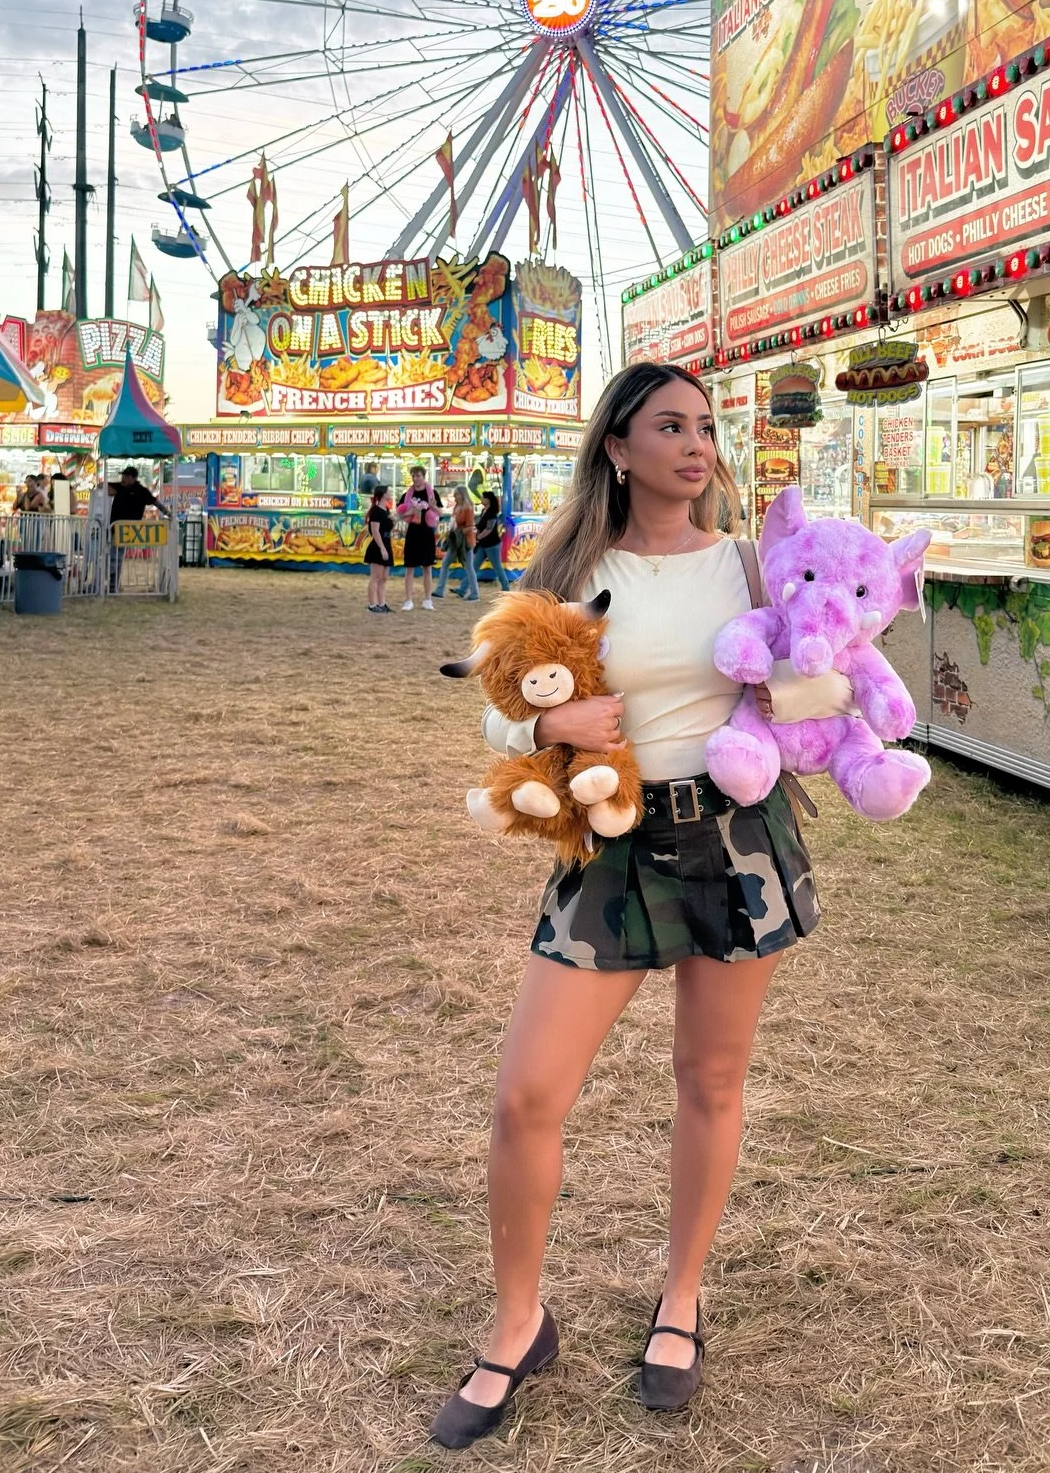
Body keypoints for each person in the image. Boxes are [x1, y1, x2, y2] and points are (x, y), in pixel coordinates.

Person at [429, 363, 845, 1450]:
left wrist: (804, 680)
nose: (695, 445)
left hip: (734, 837)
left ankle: (681, 1299)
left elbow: (821, 691)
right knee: (528, 1094)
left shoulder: (753, 564)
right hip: (609, 846)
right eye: (669, 426)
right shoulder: (569, 569)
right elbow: (496, 709)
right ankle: (519, 1321)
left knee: (710, 1079)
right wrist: (541, 735)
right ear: (618, 446)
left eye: (705, 427)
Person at [106, 467, 167, 594]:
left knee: (115, 557)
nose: (122, 478)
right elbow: (105, 487)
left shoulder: (141, 491)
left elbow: (155, 502)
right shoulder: (119, 487)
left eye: (125, 476)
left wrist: (169, 514)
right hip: (116, 528)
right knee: (115, 557)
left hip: (127, 529)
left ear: (131, 478)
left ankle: (113, 586)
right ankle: (113, 585)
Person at [398, 466, 441, 611]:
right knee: (409, 568)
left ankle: (428, 599)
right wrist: (411, 511)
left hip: (427, 533)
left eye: (418, 476)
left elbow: (440, 513)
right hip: (412, 532)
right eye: (413, 476)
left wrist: (432, 507)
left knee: (427, 567)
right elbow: (400, 514)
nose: (415, 479)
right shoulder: (406, 495)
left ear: (424, 477)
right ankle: (408, 600)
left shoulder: (432, 494)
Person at [435, 485, 479, 602]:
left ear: (462, 494)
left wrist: (458, 531)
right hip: (456, 541)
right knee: (446, 564)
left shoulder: (468, 507)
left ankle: (474, 593)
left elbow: (470, 526)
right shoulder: (457, 507)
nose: (454, 496)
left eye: (456, 494)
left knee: (468, 567)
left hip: (465, 542)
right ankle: (440, 590)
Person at [471, 487, 513, 593]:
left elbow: (489, 529)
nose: (481, 499)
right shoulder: (484, 511)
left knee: (497, 567)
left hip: (492, 544)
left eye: (483, 497)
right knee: (474, 566)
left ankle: (506, 587)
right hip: (484, 544)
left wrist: (478, 537)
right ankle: (463, 588)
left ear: (488, 500)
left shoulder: (491, 513)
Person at [361, 483, 394, 613]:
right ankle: (372, 604)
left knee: (384, 577)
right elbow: (375, 531)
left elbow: (388, 529)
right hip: (378, 546)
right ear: (383, 494)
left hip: (386, 543)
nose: (391, 493)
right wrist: (382, 548)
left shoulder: (386, 511)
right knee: (376, 577)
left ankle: (382, 603)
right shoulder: (375, 511)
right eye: (388, 491)